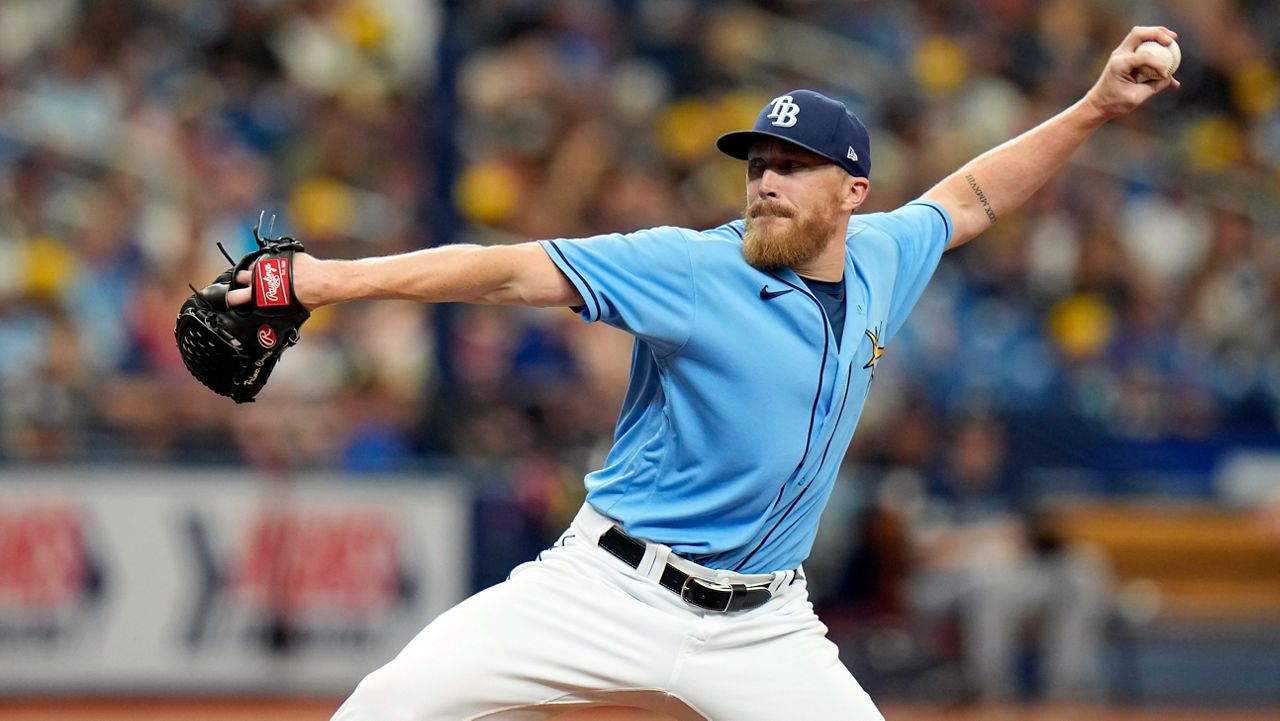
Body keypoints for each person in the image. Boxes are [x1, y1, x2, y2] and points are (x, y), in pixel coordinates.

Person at [229, 26, 1179, 721]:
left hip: (765, 623)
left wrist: (1095, 106)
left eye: (793, 166)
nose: (764, 179)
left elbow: (971, 196)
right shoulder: (691, 265)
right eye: (757, 162)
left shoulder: (887, 252)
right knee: (384, 709)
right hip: (605, 589)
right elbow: (511, 268)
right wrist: (324, 277)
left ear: (851, 193)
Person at [905, 413, 1112, 701]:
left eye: (988, 447)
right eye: (972, 446)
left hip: (1011, 577)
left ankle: (1065, 691)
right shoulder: (934, 488)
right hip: (945, 584)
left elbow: (1028, 541)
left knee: (1082, 571)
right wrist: (989, 540)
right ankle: (995, 697)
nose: (980, 455)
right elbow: (928, 554)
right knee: (991, 583)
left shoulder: (1011, 487)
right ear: (954, 449)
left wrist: (996, 543)